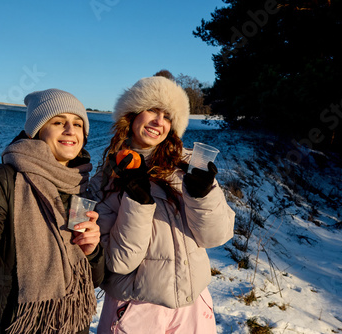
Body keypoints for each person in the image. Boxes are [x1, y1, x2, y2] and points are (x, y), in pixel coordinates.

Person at [0, 89, 104, 334]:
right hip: (12, 326)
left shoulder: (79, 187)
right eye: (59, 122)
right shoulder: (6, 179)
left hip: (71, 325)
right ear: (36, 131)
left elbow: (92, 280)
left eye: (78, 124)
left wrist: (92, 252)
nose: (71, 130)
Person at [89, 76, 235, 334]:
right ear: (131, 115)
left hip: (193, 307)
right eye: (152, 110)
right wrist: (137, 201)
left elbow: (216, 236)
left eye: (168, 116)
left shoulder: (189, 167)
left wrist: (203, 195)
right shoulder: (105, 181)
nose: (159, 121)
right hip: (135, 310)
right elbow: (119, 262)